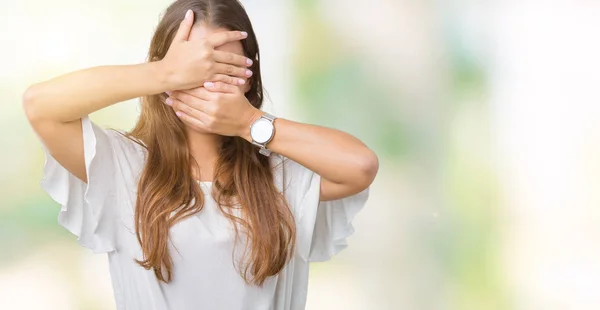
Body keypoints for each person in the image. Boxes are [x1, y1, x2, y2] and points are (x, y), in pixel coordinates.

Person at [23, 0, 378, 309]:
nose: (208, 83)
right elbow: (40, 105)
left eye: (225, 70)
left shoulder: (282, 177)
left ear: (250, 77)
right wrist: (164, 72)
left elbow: (359, 166)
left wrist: (249, 122)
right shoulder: (123, 166)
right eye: (194, 68)